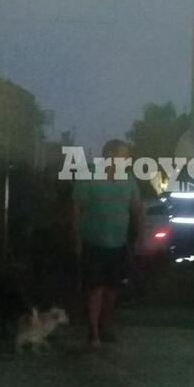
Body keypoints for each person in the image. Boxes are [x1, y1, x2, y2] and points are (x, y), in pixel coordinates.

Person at [74, 139, 143, 348]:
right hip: (93, 241)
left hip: (118, 243)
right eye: (124, 155)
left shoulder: (128, 180)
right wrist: (75, 239)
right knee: (94, 288)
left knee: (112, 288)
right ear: (110, 155)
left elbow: (137, 209)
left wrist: (138, 236)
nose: (127, 159)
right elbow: (76, 210)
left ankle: (105, 326)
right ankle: (93, 332)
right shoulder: (89, 175)